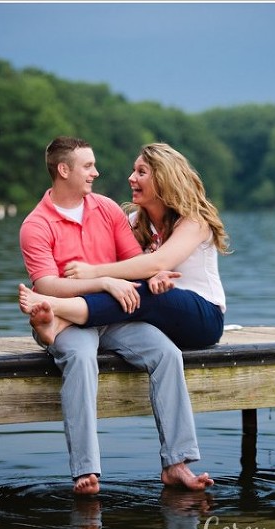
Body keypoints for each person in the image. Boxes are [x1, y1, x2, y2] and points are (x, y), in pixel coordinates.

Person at [19, 136, 214, 496]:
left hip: (111, 318)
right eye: (88, 166)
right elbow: (46, 286)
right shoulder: (36, 225)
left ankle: (177, 463)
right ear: (64, 170)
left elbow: (134, 263)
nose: (97, 172)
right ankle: (85, 469)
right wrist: (107, 282)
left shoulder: (108, 210)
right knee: (79, 357)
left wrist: (148, 276)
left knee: (166, 353)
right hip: (64, 318)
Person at [18, 142, 228, 350]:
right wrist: (121, 280)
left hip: (203, 319)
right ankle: (61, 322)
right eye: (133, 170)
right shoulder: (134, 222)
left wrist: (94, 273)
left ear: (163, 179)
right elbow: (134, 267)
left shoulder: (194, 221)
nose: (131, 178)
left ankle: (58, 311)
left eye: (141, 172)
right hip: (159, 320)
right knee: (130, 290)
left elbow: (158, 262)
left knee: (148, 294)